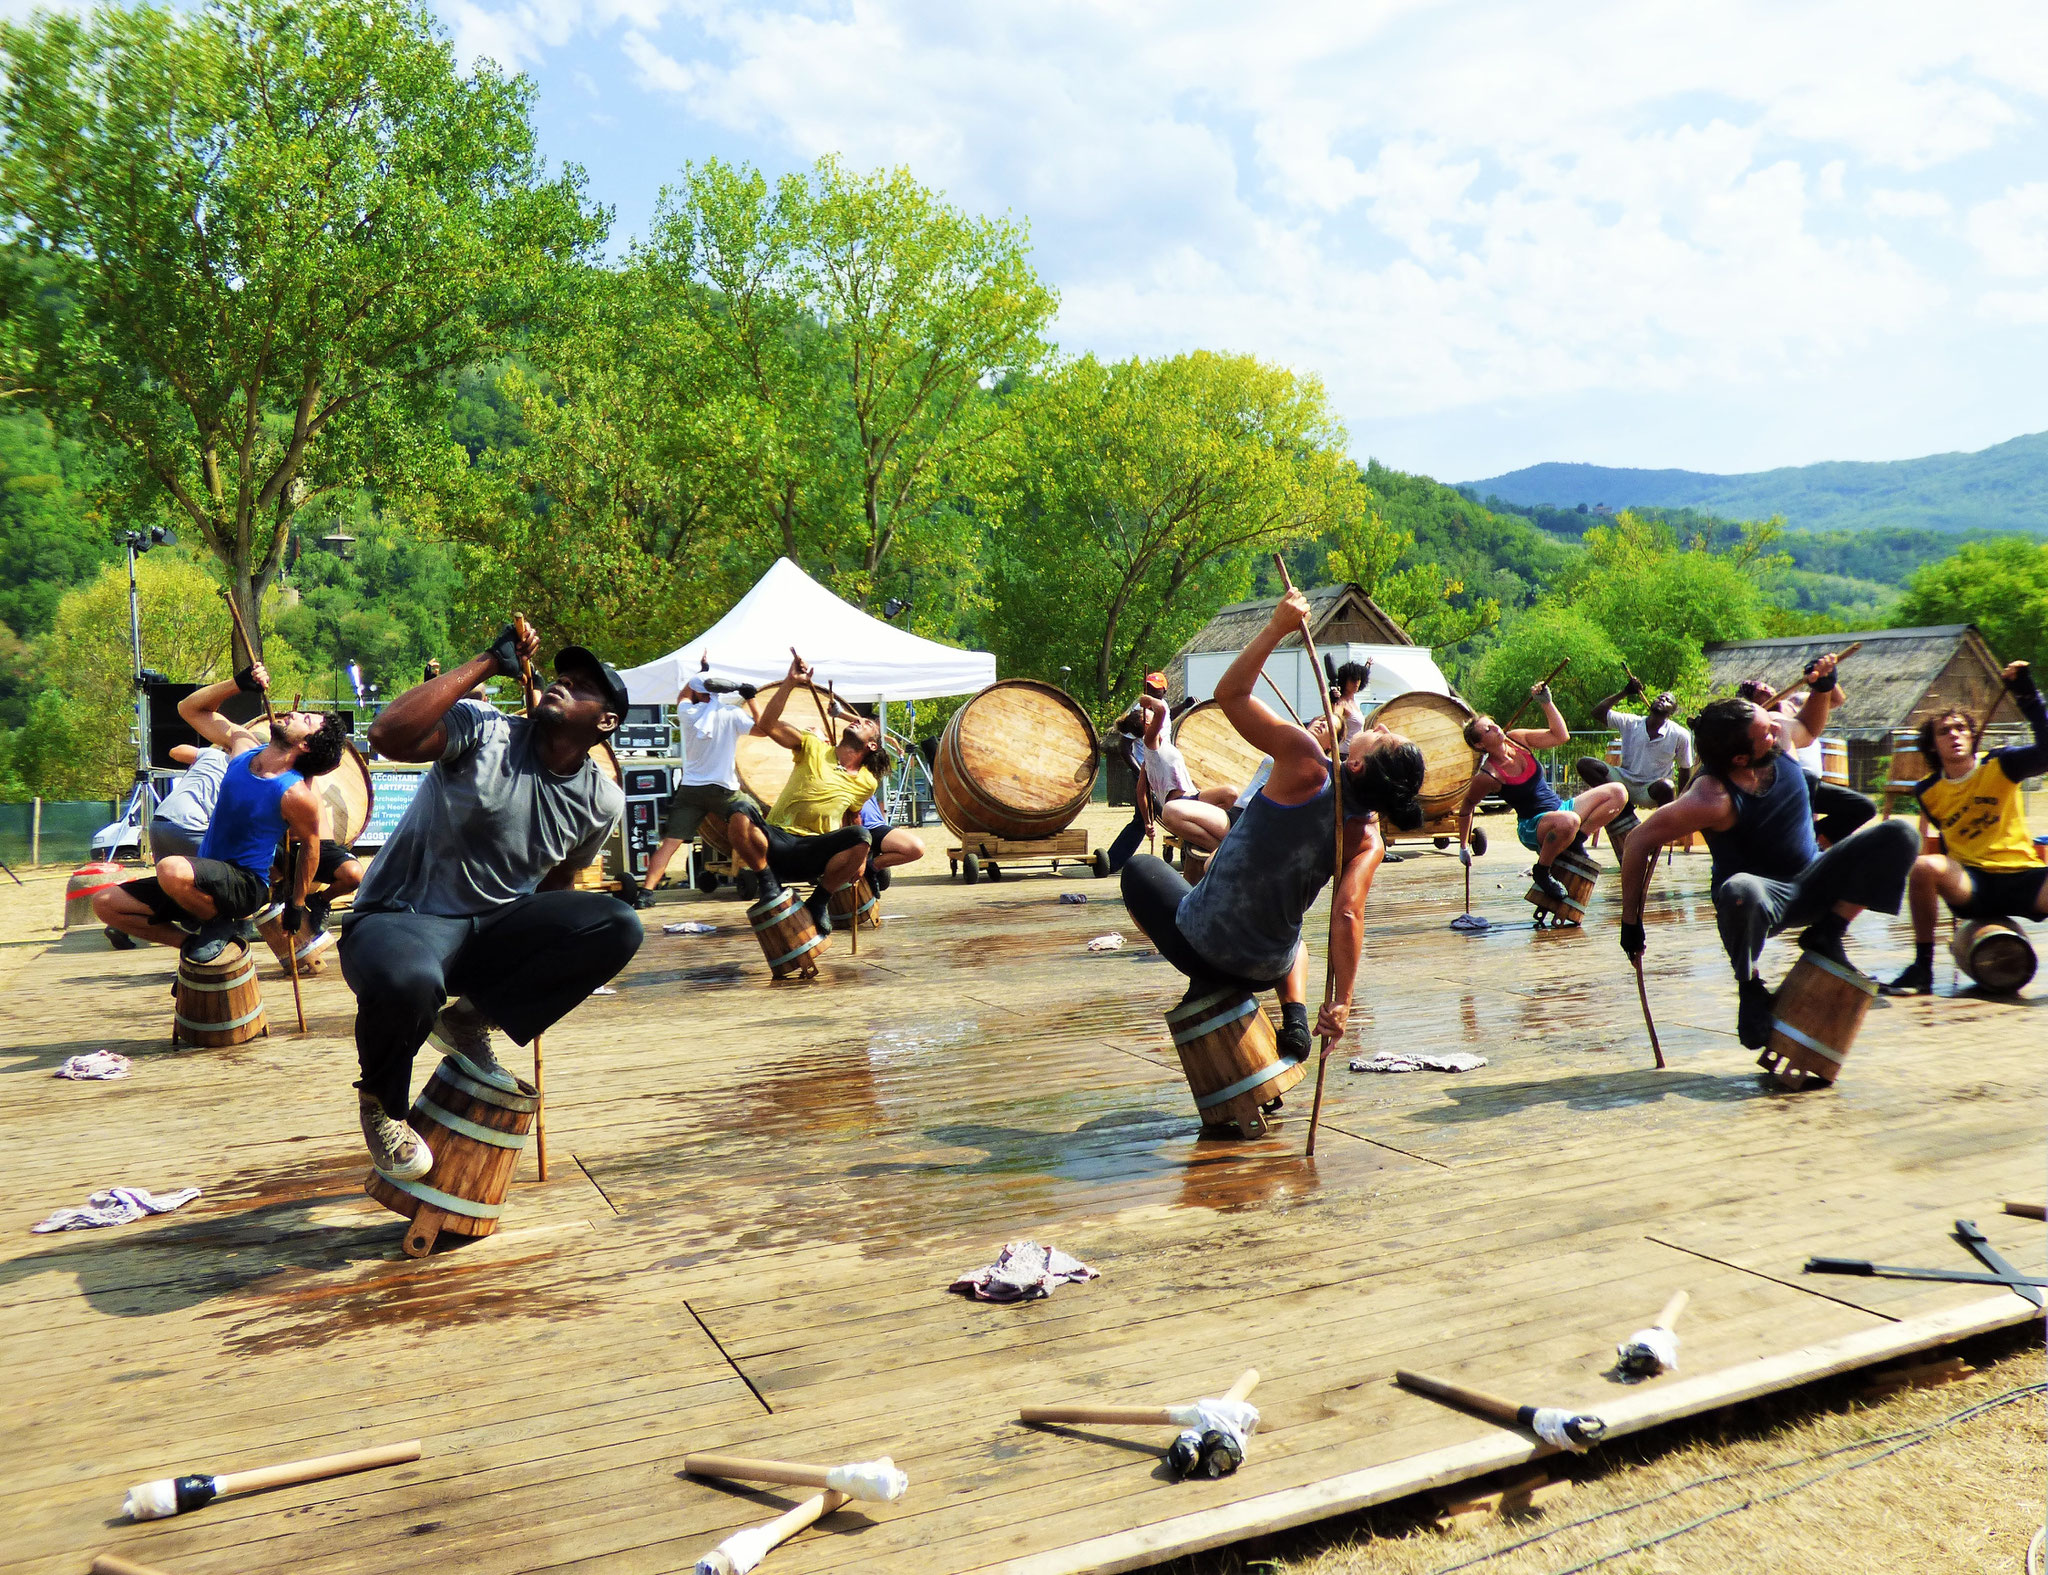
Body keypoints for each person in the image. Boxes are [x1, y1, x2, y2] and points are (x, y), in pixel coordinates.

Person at [339, 625, 640, 1182]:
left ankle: (471, 1021)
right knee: (410, 984)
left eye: (582, 686)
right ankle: (382, 1104)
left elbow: (559, 881)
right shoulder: (486, 730)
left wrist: (536, 976)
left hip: (493, 932)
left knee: (618, 925)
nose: (563, 683)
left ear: (606, 723)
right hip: (402, 922)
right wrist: (485, 663)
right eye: (562, 675)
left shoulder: (602, 798)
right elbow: (387, 735)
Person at [1120, 588, 1426, 1069]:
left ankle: (1207, 983)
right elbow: (1349, 916)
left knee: (1138, 869)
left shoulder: (1307, 761)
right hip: (1267, 967)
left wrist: (1276, 627)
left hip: (1206, 945)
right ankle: (1297, 1013)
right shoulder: (1369, 838)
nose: (1381, 728)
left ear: (1362, 764)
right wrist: (1341, 1002)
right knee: (1292, 932)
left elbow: (1230, 695)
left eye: (1385, 738)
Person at [1615, 654, 1920, 1047]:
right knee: (1739, 891)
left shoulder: (1779, 735)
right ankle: (1750, 986)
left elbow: (1810, 724)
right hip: (1762, 903)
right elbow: (1639, 840)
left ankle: (1828, 932)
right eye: (1766, 734)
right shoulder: (1710, 796)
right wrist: (1630, 923)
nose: (1775, 730)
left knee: (1899, 835)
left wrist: (1824, 685)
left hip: (1815, 879)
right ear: (1740, 758)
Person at [95, 666, 345, 962]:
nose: (291, 715)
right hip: (204, 878)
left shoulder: (294, 794)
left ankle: (219, 923)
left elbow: (312, 848)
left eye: (304, 720)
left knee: (170, 869)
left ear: (304, 745)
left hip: (246, 885)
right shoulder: (242, 748)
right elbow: (189, 709)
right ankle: (192, 943)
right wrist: (238, 683)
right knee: (106, 903)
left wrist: (297, 904)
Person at [1881, 661, 2047, 996]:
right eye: (1944, 731)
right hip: (1973, 885)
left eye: (1960, 728)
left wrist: (2028, 695)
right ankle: (1921, 969)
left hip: (2023, 875)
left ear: (1973, 736)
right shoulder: (1927, 790)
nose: (1954, 735)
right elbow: (1943, 846)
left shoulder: (2001, 764)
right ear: (1933, 746)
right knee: (1924, 866)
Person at [723, 653, 886, 936]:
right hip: (776, 840)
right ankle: (767, 881)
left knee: (862, 838)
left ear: (871, 747)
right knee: (739, 808)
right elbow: (767, 725)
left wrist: (860, 861)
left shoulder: (867, 782)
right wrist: (790, 682)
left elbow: (855, 816)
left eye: (867, 725)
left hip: (816, 851)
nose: (859, 721)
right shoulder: (812, 745)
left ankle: (819, 901)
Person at [1456, 682, 1629, 905]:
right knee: (1569, 820)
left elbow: (1560, 736)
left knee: (1618, 792)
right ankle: (1542, 870)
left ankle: (1576, 840)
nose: (1497, 728)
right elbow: (1467, 807)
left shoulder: (1517, 738)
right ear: (1480, 744)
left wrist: (1547, 703)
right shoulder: (1488, 775)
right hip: (1532, 826)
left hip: (1561, 810)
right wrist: (1462, 846)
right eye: (1487, 730)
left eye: (1494, 724)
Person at [638, 664, 762, 899]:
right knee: (757, 823)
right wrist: (751, 698)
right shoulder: (731, 714)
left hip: (691, 790)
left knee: (669, 845)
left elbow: (683, 695)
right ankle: (767, 879)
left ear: (697, 693)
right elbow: (764, 729)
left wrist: (700, 673)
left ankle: (645, 893)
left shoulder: (687, 714)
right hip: (723, 790)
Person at [1737, 670, 1875, 848]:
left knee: (1862, 808)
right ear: (1753, 704)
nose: (1768, 692)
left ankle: (1812, 844)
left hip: (1813, 780)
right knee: (1800, 823)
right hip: (1790, 780)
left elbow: (1836, 699)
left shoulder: (1796, 702)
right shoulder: (1761, 723)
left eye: (1766, 687)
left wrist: (1825, 679)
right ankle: (1804, 848)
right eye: (1760, 694)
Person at [1577, 678, 1692, 809]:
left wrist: (1682, 801)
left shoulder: (1680, 734)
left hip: (1650, 790)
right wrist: (1625, 692)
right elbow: (1597, 713)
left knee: (1667, 786)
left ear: (1671, 712)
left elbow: (1685, 768)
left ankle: (1665, 825)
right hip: (1623, 781)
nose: (1662, 700)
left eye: (1668, 701)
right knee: (1585, 764)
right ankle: (1623, 809)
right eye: (1660, 697)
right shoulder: (1631, 722)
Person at [1160, 754, 1273, 855]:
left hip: (1251, 824)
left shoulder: (1289, 751)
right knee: (1171, 811)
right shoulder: (1279, 744)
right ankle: (1223, 852)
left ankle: (1226, 855)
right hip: (1236, 815)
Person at [148, 741, 228, 862]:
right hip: (188, 825)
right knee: (228, 868)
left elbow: (175, 752)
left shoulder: (212, 754)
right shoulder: (243, 773)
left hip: (159, 822)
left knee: (167, 878)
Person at [1331, 660, 1371, 746]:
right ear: (1345, 681)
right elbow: (1333, 722)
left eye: (1359, 679)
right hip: (1344, 754)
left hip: (1355, 752)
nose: (1356, 682)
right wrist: (1333, 700)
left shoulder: (1353, 703)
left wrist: (1367, 667)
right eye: (1353, 679)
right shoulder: (1341, 703)